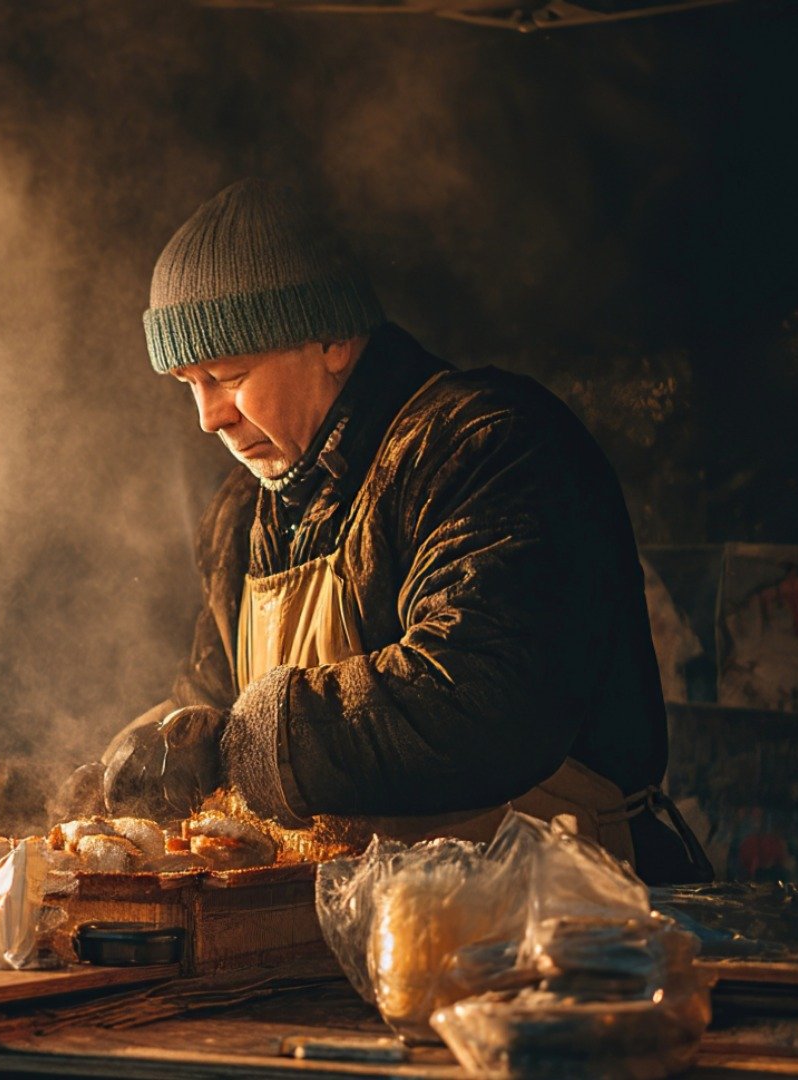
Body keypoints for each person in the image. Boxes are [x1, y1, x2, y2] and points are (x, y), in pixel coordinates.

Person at [67, 179, 709, 883]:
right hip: (353, 931)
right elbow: (215, 701)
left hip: (557, 918)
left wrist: (265, 741)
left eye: (228, 374)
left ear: (332, 339)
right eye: (189, 383)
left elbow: (484, 694)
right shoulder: (241, 515)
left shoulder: (485, 447)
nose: (208, 416)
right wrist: (142, 759)